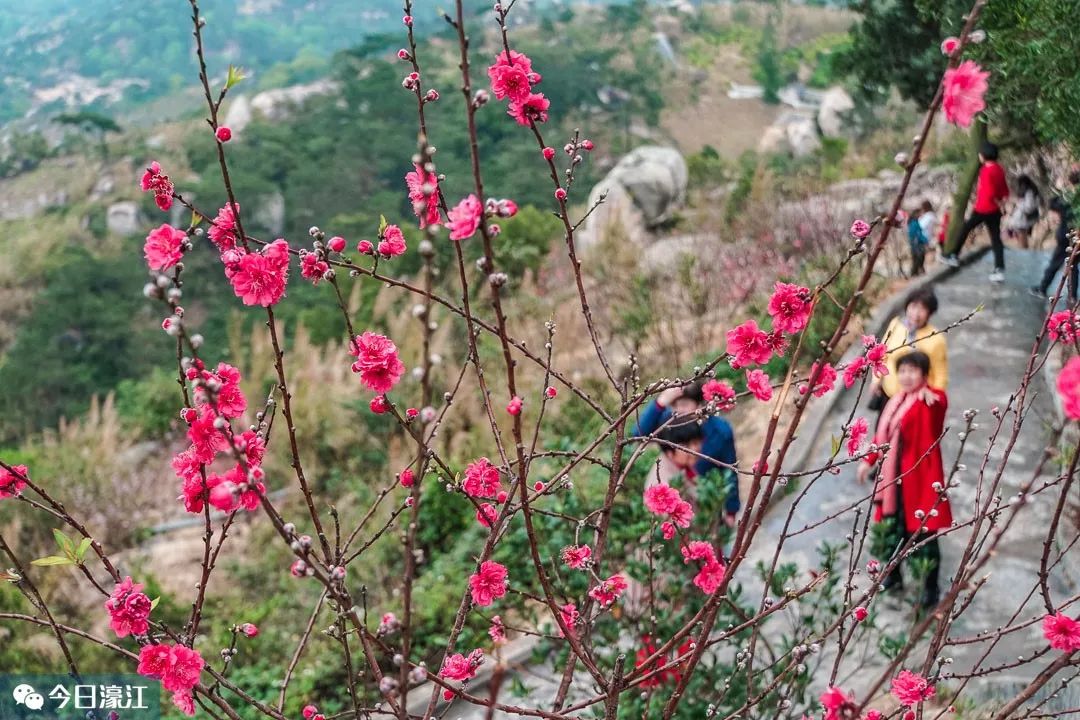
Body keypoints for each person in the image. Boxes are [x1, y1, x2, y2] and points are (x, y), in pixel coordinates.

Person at [857, 351, 951, 608]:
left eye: (913, 371)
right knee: (892, 528)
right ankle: (894, 576)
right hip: (892, 479)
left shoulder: (928, 399)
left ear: (924, 374)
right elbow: (882, 436)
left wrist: (935, 398)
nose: (907, 376)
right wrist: (868, 461)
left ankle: (929, 587)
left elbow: (939, 409)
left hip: (919, 479)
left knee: (922, 535)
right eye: (903, 371)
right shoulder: (896, 400)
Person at [634, 382, 739, 526]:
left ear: (699, 405)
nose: (678, 411)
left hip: (710, 498)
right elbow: (638, 434)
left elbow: (730, 471)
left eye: (683, 404)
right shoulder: (671, 424)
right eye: (674, 405)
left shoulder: (720, 431)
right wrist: (660, 403)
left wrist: (731, 510)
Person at [868, 287, 947, 411]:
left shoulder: (936, 339)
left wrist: (935, 399)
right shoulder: (896, 325)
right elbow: (882, 355)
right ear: (907, 306)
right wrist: (876, 380)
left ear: (929, 313)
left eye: (922, 309)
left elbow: (940, 374)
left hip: (916, 403)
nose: (916, 313)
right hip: (890, 394)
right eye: (914, 306)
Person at [943, 142, 1010, 282]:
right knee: (996, 238)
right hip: (995, 211)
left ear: (983, 156)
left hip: (983, 208)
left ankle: (953, 255)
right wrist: (1002, 205)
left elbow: (989, 192)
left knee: (966, 228)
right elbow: (1004, 190)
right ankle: (999, 269)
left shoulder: (985, 170)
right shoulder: (999, 169)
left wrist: (995, 203)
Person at [1030, 168, 1079, 303]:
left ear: (1069, 181)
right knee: (1073, 266)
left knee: (1056, 263)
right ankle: (1072, 296)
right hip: (1077, 235)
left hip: (1066, 234)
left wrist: (1059, 187)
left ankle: (1043, 288)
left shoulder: (1067, 195)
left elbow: (1053, 204)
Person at [1006, 174, 1041, 249]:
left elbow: (1028, 207)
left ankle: (1024, 253)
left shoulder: (1029, 193)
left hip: (1023, 220)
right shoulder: (1032, 191)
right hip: (1023, 220)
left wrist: (1017, 202)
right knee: (1021, 239)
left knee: (1023, 242)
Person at [906, 207, 929, 276]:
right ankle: (915, 273)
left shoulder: (915, 222)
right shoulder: (913, 223)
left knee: (918, 257)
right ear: (915, 214)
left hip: (917, 243)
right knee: (918, 258)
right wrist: (924, 240)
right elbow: (917, 234)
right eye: (919, 213)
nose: (920, 214)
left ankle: (917, 272)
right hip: (916, 244)